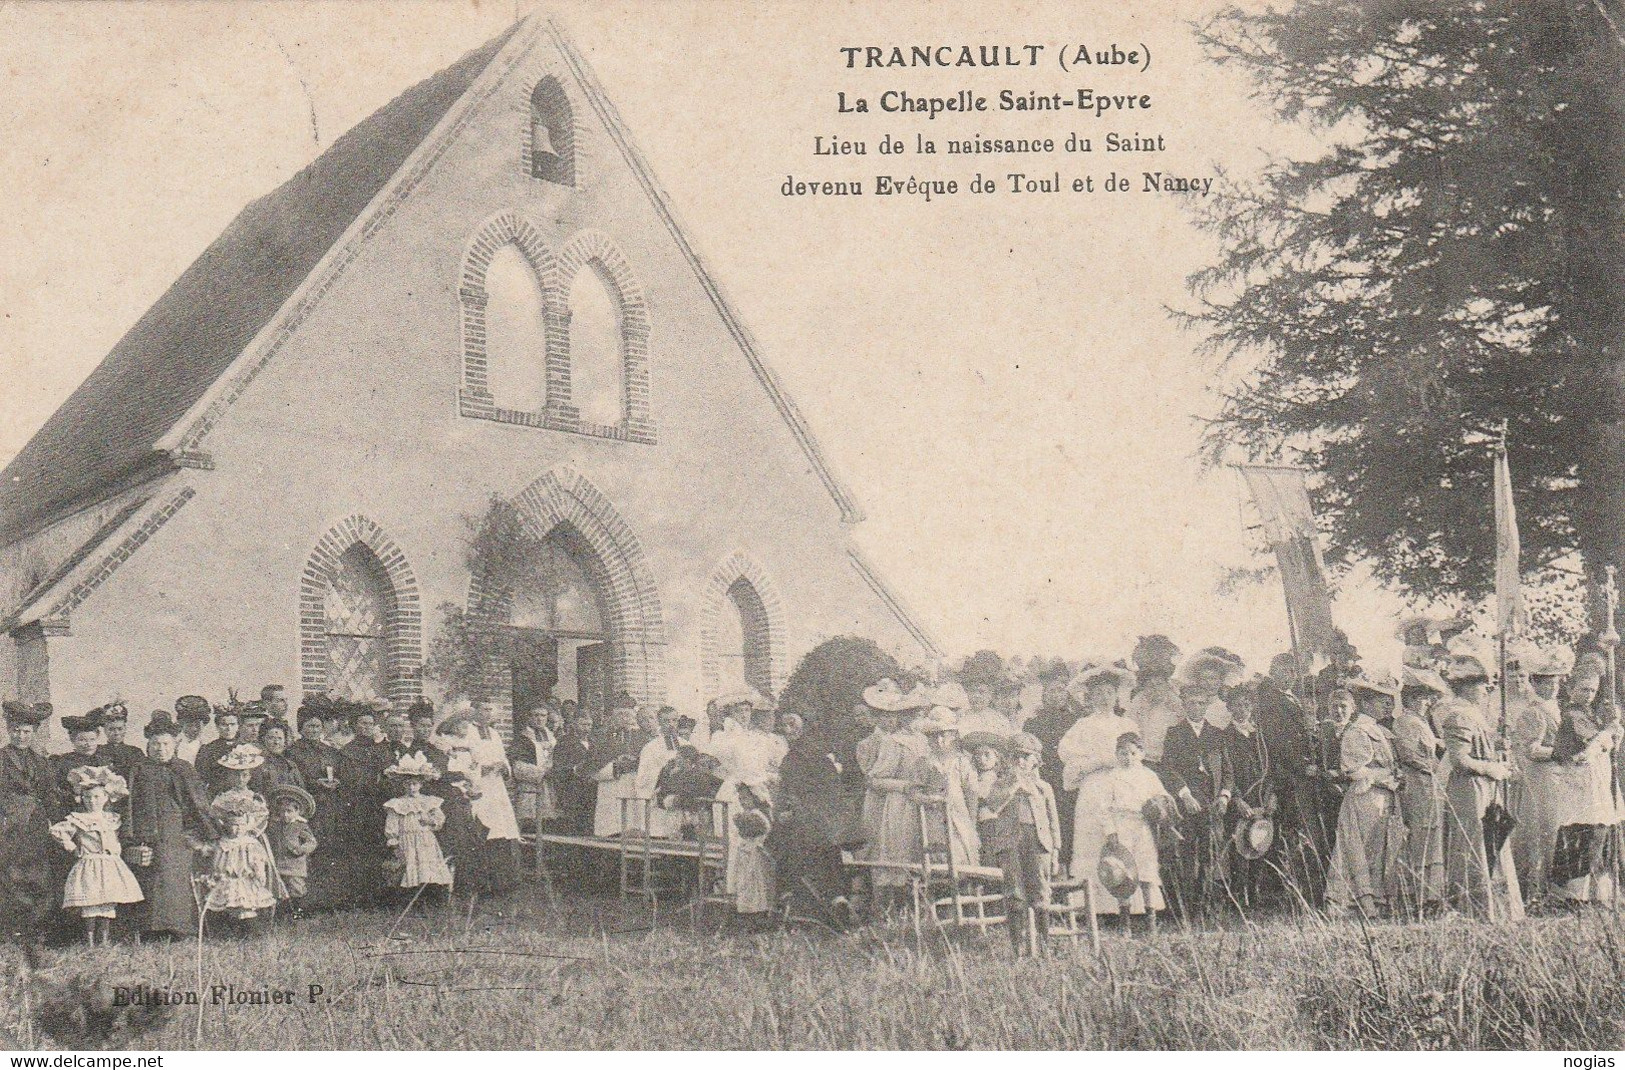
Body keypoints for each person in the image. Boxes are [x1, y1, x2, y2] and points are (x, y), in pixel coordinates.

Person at [1439, 655, 1524, 920]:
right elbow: (1459, 759)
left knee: (1492, 839)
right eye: (1479, 685)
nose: (1485, 691)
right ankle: (1473, 909)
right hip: (1470, 788)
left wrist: (1497, 747)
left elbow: (1480, 749)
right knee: (1475, 842)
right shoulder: (1458, 715)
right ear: (1464, 687)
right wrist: (1491, 768)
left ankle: (1497, 909)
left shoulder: (1475, 714)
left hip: (1485, 787)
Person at [1058, 665, 1142, 913]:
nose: (1104, 698)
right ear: (1090, 696)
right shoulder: (1083, 725)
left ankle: (1124, 903)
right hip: (1094, 787)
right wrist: (1096, 761)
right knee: (1093, 838)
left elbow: (1136, 755)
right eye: (1099, 693)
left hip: (1121, 786)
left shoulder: (1127, 724)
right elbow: (1066, 752)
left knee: (1122, 838)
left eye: (1109, 692)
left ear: (1116, 696)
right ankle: (1092, 906)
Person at [124, 715, 214, 940]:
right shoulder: (138, 769)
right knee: (149, 878)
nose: (160, 749)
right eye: (156, 744)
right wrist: (130, 838)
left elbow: (198, 804)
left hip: (176, 833)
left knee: (175, 878)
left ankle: (178, 927)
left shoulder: (184, 769)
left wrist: (206, 833)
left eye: (166, 744)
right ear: (148, 745)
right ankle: (149, 930)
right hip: (146, 832)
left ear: (174, 745)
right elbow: (128, 804)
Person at [1323, 674, 1403, 918]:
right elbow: (1353, 769)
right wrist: (1387, 777)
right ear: (1367, 703)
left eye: (1390, 700)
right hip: (1365, 796)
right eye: (1382, 700)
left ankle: (1375, 902)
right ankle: (1355, 903)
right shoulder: (1358, 731)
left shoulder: (1379, 730)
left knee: (1378, 849)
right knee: (1361, 848)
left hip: (1382, 797)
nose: (1388, 705)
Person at [980, 732, 1061, 955]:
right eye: (1015, 757)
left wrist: (1055, 851)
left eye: (1026, 757)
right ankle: (1019, 947)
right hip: (1011, 842)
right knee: (1015, 893)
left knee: (1041, 893)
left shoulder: (1044, 787)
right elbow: (993, 806)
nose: (1020, 762)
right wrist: (1014, 785)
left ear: (1036, 759)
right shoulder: (1001, 784)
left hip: (1038, 842)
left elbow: (1053, 822)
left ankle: (1044, 945)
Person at [1547, 663, 1621, 904]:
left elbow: (1605, 747)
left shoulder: (1591, 715)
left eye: (1591, 691)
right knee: (1584, 833)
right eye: (1583, 690)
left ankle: (1598, 892)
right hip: (1580, 782)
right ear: (1571, 689)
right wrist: (1606, 733)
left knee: (1599, 834)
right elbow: (1583, 752)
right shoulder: (1571, 717)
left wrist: (1614, 733)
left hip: (1597, 780)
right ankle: (1571, 893)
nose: (1587, 695)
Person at [1160, 681, 1234, 919]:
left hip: (1213, 804)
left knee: (1210, 855)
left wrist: (1224, 796)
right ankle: (1187, 909)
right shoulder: (1174, 733)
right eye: (1192, 703)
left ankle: (1206, 907)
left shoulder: (1217, 734)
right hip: (1188, 803)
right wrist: (1184, 794)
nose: (1197, 707)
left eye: (1201, 703)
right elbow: (1168, 768)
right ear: (1184, 705)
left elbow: (1228, 771)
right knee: (1188, 855)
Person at [50, 766, 143, 946]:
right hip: (90, 864)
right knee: (91, 902)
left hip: (110, 864)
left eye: (97, 797)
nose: (92, 801)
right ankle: (90, 941)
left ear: (106, 798)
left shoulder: (112, 818)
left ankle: (105, 940)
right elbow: (57, 831)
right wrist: (71, 846)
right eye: (88, 797)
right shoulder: (78, 818)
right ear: (82, 799)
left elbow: (119, 837)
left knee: (107, 902)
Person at [857, 680, 928, 908]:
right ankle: (885, 909)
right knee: (889, 853)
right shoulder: (890, 741)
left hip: (917, 804)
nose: (914, 720)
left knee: (915, 854)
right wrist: (904, 786)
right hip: (893, 805)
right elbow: (873, 780)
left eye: (918, 714)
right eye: (909, 715)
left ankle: (913, 906)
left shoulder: (923, 741)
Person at [434, 707, 521, 890]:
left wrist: (503, 767)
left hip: (496, 786)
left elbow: (501, 757)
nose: (487, 714)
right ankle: (481, 881)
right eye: (484, 710)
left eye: (490, 710)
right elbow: (464, 762)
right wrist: (481, 769)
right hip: (476, 785)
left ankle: (503, 881)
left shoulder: (495, 733)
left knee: (500, 828)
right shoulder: (466, 732)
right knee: (481, 827)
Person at [1096, 732, 1175, 919]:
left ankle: (1151, 919)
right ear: (1117, 754)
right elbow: (1103, 808)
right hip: (1122, 825)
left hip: (1143, 826)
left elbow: (1163, 797)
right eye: (1123, 753)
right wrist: (1110, 831)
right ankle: (1125, 921)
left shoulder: (1149, 775)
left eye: (1132, 753)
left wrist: (1159, 807)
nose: (1128, 758)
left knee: (1147, 872)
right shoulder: (1112, 777)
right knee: (1121, 872)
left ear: (1141, 754)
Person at [1509, 653, 1567, 903]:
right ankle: (1535, 891)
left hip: (1557, 777)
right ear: (1535, 683)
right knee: (1540, 832)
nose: (1552, 687)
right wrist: (1561, 752)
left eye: (1554, 682)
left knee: (1556, 832)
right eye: (1545, 682)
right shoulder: (1533, 713)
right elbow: (1530, 750)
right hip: (1540, 779)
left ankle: (1553, 889)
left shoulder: (1555, 708)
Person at [1393, 666, 1451, 914]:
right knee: (1423, 836)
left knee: (1432, 835)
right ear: (1412, 699)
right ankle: (1421, 895)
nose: (1427, 703)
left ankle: (1432, 893)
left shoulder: (1420, 722)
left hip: (1429, 785)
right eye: (1424, 698)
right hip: (1418, 785)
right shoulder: (1406, 722)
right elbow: (1409, 754)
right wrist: (1436, 768)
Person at [0, 701, 59, 943]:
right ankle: (10, 929)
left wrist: (54, 820)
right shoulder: (2, 758)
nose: (21, 736)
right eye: (16, 730)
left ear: (33, 733)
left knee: (38, 873)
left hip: (35, 824)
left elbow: (49, 794)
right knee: (10, 874)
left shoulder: (41, 761)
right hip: (9, 823)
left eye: (26, 732)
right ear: (8, 729)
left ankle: (36, 928)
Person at [201, 780, 284, 936]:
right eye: (232, 825)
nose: (236, 829)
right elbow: (216, 862)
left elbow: (257, 861)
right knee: (226, 905)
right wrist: (214, 874)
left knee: (246, 906)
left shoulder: (249, 843)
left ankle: (250, 931)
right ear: (225, 825)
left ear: (247, 825)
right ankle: (228, 930)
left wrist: (259, 874)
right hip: (227, 880)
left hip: (246, 879)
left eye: (240, 825)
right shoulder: (223, 843)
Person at [1221, 680, 1276, 907]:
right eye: (1237, 705)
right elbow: (1225, 771)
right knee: (1239, 848)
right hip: (1240, 799)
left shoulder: (1260, 736)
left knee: (1260, 843)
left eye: (1246, 705)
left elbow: (1270, 769)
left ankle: (1254, 895)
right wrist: (1236, 799)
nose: (1241, 709)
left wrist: (1271, 796)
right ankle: (1238, 897)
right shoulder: (1224, 736)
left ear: (1251, 707)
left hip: (1261, 799)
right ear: (1230, 708)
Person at [285, 703, 345, 910]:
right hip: (308, 805)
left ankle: (329, 898)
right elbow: (295, 778)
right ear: (301, 728)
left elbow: (340, 772)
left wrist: (337, 781)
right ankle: (307, 900)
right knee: (309, 847)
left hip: (330, 804)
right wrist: (314, 783)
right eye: (309, 726)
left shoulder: (330, 751)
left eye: (317, 726)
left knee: (329, 848)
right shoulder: (293, 751)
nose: (314, 730)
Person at [910, 706, 981, 868]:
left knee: (961, 855)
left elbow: (972, 794)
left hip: (958, 818)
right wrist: (930, 799)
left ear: (953, 737)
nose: (940, 741)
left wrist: (971, 824)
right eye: (934, 737)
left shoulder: (962, 762)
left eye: (944, 735)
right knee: (934, 858)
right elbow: (914, 791)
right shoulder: (923, 763)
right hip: (932, 820)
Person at [1023, 662, 1080, 862]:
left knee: (1070, 824)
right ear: (1043, 695)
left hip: (1070, 782)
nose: (1057, 695)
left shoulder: (1076, 720)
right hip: (1046, 780)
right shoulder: (1033, 723)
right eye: (1051, 691)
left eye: (1061, 690)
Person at [383, 752, 452, 904]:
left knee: (428, 867)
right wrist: (394, 842)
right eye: (408, 784)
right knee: (409, 867)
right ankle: (411, 900)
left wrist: (430, 821)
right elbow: (392, 825)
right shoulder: (397, 804)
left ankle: (431, 897)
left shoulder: (428, 801)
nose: (411, 787)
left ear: (421, 784)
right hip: (406, 840)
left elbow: (440, 819)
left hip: (425, 839)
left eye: (415, 783)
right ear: (403, 785)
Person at [1127, 635, 1183, 767]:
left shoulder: (1173, 700)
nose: (1155, 689)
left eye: (1159, 684)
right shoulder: (1139, 702)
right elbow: (1130, 728)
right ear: (1144, 687)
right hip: (1144, 760)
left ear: (1166, 685)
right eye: (1150, 685)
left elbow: (1183, 726)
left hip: (1170, 760)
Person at [730, 781, 776, 930]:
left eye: (746, 799)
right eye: (741, 799)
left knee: (755, 885)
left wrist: (740, 821)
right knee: (745, 884)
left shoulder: (756, 815)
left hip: (755, 854)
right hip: (746, 854)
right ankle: (747, 915)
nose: (743, 802)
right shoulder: (749, 814)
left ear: (755, 799)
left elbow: (757, 830)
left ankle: (757, 916)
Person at [267, 784, 317, 918]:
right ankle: (282, 915)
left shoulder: (300, 826)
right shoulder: (275, 826)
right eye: (282, 811)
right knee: (280, 889)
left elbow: (311, 842)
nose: (285, 815)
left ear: (297, 811)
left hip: (295, 865)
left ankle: (298, 914)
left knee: (296, 889)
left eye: (289, 811)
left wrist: (301, 849)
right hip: (278, 864)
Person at [633, 706, 683, 838]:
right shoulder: (650, 748)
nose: (671, 725)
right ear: (659, 722)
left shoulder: (685, 745)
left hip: (679, 800)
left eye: (674, 720)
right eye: (667, 721)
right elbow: (642, 779)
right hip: (658, 800)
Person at [510, 706, 560, 831]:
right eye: (536, 715)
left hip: (550, 787)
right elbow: (518, 767)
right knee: (531, 826)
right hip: (531, 789)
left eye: (543, 716)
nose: (539, 719)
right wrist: (543, 772)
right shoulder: (523, 739)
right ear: (529, 717)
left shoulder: (552, 738)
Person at [52, 714, 106, 814]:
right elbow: (56, 791)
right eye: (82, 740)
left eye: (92, 739)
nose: (88, 744)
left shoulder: (104, 760)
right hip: (72, 810)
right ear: (72, 740)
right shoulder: (63, 762)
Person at [194, 706, 241, 792]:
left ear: (238, 726)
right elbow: (200, 780)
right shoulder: (207, 750)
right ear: (217, 726)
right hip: (217, 794)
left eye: (232, 724)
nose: (229, 729)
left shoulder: (246, 747)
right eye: (224, 725)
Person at [94, 704, 145, 783]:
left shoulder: (136, 752)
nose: (116, 733)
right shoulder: (97, 751)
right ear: (105, 730)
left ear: (125, 729)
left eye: (120, 729)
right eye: (111, 729)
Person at [174, 696, 212, 766]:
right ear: (182, 725)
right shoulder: (173, 746)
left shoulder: (208, 748)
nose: (194, 729)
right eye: (189, 725)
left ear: (203, 725)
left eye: (198, 725)